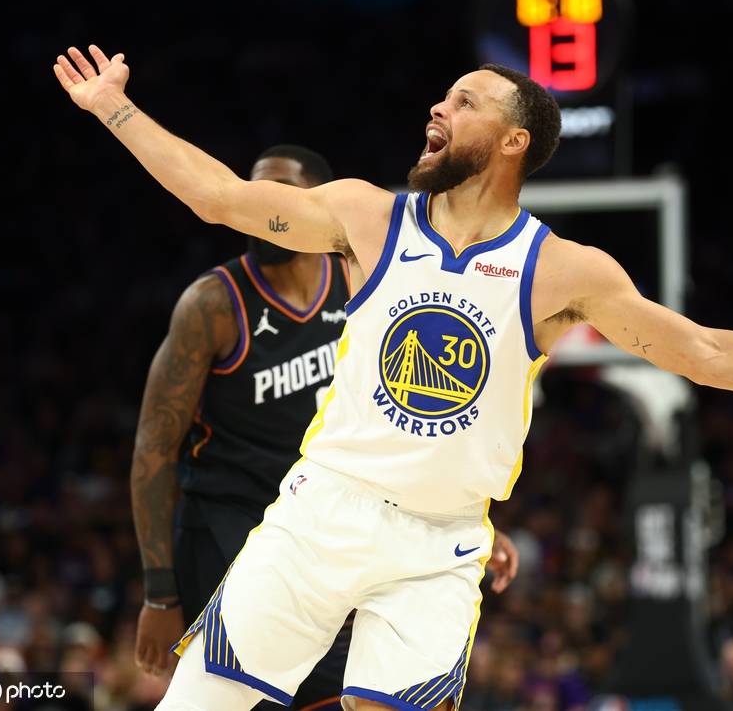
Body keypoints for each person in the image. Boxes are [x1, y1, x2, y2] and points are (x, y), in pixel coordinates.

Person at [53, 45, 733, 711]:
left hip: (440, 547)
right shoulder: (367, 216)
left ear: (514, 139)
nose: (437, 108)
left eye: (464, 100)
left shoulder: (562, 270)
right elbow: (218, 197)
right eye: (442, 97)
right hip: (319, 513)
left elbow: (706, 353)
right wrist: (114, 109)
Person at [127, 142, 523, 707]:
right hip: (228, 524)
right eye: (258, 187)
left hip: (326, 520)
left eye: (283, 190)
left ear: (315, 203)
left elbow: (408, 429)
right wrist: (160, 594)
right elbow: (153, 448)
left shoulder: (361, 279)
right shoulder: (214, 304)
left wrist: (456, 522)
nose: (266, 201)